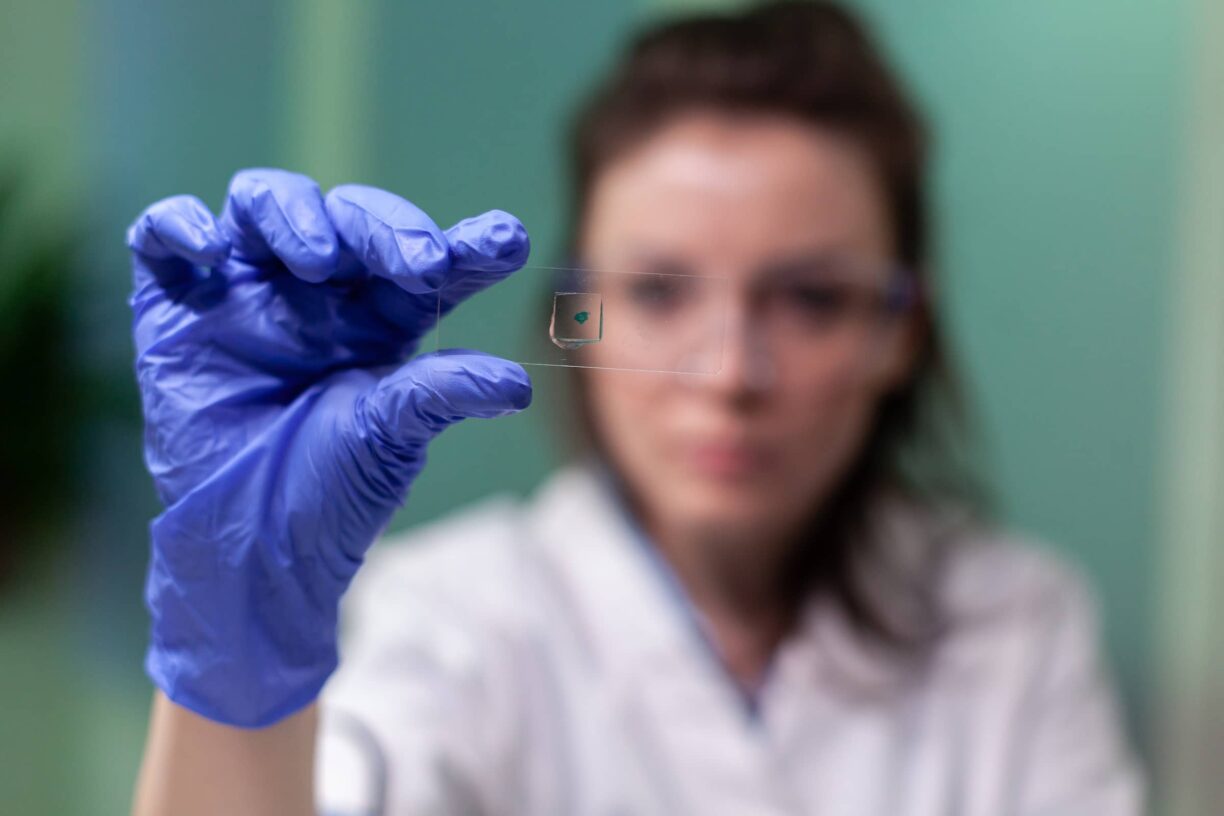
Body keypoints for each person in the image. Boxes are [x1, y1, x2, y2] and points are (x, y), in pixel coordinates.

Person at [127, 2, 1142, 814]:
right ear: (580, 318)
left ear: (900, 335)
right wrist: (240, 656)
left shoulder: (1012, 624)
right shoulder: (451, 619)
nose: (731, 374)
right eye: (658, 293)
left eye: (814, 298)